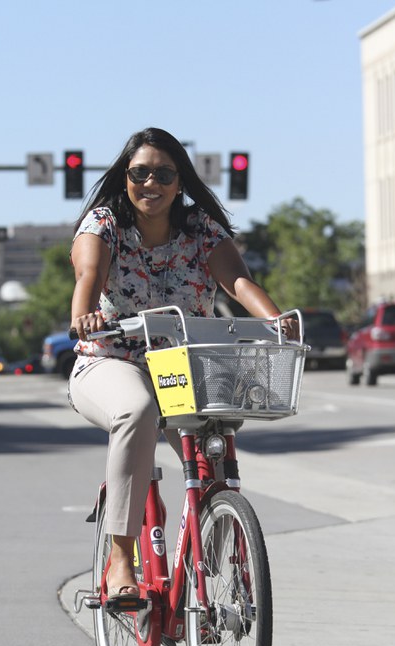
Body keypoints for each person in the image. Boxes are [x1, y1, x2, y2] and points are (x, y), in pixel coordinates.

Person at [68, 127, 298, 601]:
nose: (150, 182)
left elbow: (236, 282)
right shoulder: (104, 224)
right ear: (125, 177)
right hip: (109, 359)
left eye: (164, 173)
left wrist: (277, 319)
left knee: (214, 440)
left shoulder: (201, 231)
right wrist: (84, 316)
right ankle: (119, 562)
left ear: (180, 183)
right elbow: (89, 275)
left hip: (180, 365)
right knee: (136, 410)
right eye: (140, 173)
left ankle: (212, 543)